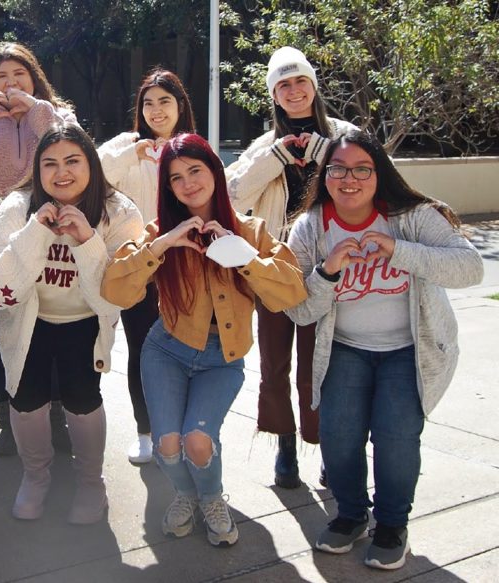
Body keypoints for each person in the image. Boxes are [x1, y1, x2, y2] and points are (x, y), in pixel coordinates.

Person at [285, 130, 483, 569]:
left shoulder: (412, 216)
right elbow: (298, 309)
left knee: (395, 439)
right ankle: (351, 516)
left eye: (361, 169)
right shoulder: (311, 225)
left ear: (379, 174)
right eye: (338, 169)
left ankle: (392, 525)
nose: (349, 179)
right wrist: (327, 270)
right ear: (326, 175)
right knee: (338, 434)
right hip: (346, 348)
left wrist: (398, 250)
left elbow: (470, 267)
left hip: (406, 350)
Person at [101, 133, 306, 547]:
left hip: (221, 360)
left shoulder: (251, 230)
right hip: (166, 351)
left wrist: (245, 256)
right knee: (168, 444)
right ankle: (186, 494)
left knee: (197, 439)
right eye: (176, 178)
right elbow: (115, 290)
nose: (188, 183)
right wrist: (162, 244)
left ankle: (211, 498)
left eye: (195, 170)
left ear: (214, 169)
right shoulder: (163, 231)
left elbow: (292, 291)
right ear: (168, 188)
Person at [0, 122, 142, 524]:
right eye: (49, 163)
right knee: (26, 398)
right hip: (30, 321)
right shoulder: (18, 207)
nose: (61, 172)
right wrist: (36, 232)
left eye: (73, 160)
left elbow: (115, 293)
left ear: (92, 164)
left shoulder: (119, 211)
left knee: (82, 400)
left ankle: (90, 482)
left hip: (84, 323)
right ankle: (35, 477)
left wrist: (88, 241)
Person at [224, 46, 357, 488]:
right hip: (276, 271)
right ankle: (285, 446)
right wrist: (274, 159)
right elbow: (231, 198)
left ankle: (324, 444)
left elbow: (378, 184)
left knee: (321, 364)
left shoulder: (345, 135)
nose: (294, 90)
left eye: (300, 81)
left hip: (334, 268)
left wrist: (330, 156)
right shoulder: (263, 146)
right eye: (283, 84)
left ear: (313, 86)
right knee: (275, 362)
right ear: (274, 95)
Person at [0, 41, 78, 455]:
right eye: (1, 77)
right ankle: (8, 413)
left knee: (47, 326)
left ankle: (54, 414)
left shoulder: (54, 114)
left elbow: (68, 145)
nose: (10, 83)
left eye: (19, 74)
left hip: (48, 236)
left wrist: (35, 107)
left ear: (34, 77)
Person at [97, 67, 198, 465]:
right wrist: (133, 152)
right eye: (148, 103)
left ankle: (186, 432)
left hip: (186, 265)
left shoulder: (193, 147)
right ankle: (146, 430)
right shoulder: (127, 145)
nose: (156, 111)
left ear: (180, 106)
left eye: (165, 101)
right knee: (141, 350)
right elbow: (93, 176)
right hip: (139, 266)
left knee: (186, 347)